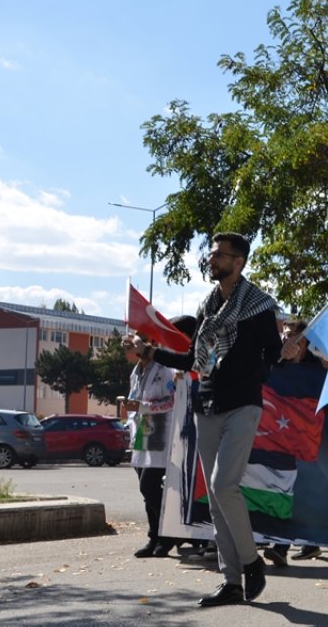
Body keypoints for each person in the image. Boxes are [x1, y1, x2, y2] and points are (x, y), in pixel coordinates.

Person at [140, 232, 283, 607]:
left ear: (239, 261)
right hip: (207, 406)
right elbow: (193, 360)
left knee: (223, 485)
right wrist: (152, 353)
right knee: (217, 500)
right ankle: (231, 581)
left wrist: (255, 373)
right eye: (211, 254)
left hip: (243, 406)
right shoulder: (208, 307)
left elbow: (274, 354)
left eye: (219, 254)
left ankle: (252, 562)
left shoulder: (259, 306)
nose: (212, 260)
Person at [122, 315, 195, 560]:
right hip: (141, 434)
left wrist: (142, 406)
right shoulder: (136, 370)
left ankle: (170, 533)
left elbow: (172, 401)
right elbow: (136, 398)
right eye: (134, 340)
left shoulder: (164, 369)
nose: (135, 344)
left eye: (141, 341)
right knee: (147, 490)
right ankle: (155, 536)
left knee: (150, 485)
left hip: (160, 434)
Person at [263, 319, 326, 566]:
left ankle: (304, 543)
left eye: (291, 336)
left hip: (308, 442)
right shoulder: (272, 365)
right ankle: (281, 545)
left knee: (302, 493)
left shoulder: (317, 370)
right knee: (284, 489)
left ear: (304, 342)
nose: (285, 340)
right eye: (284, 335)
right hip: (279, 441)